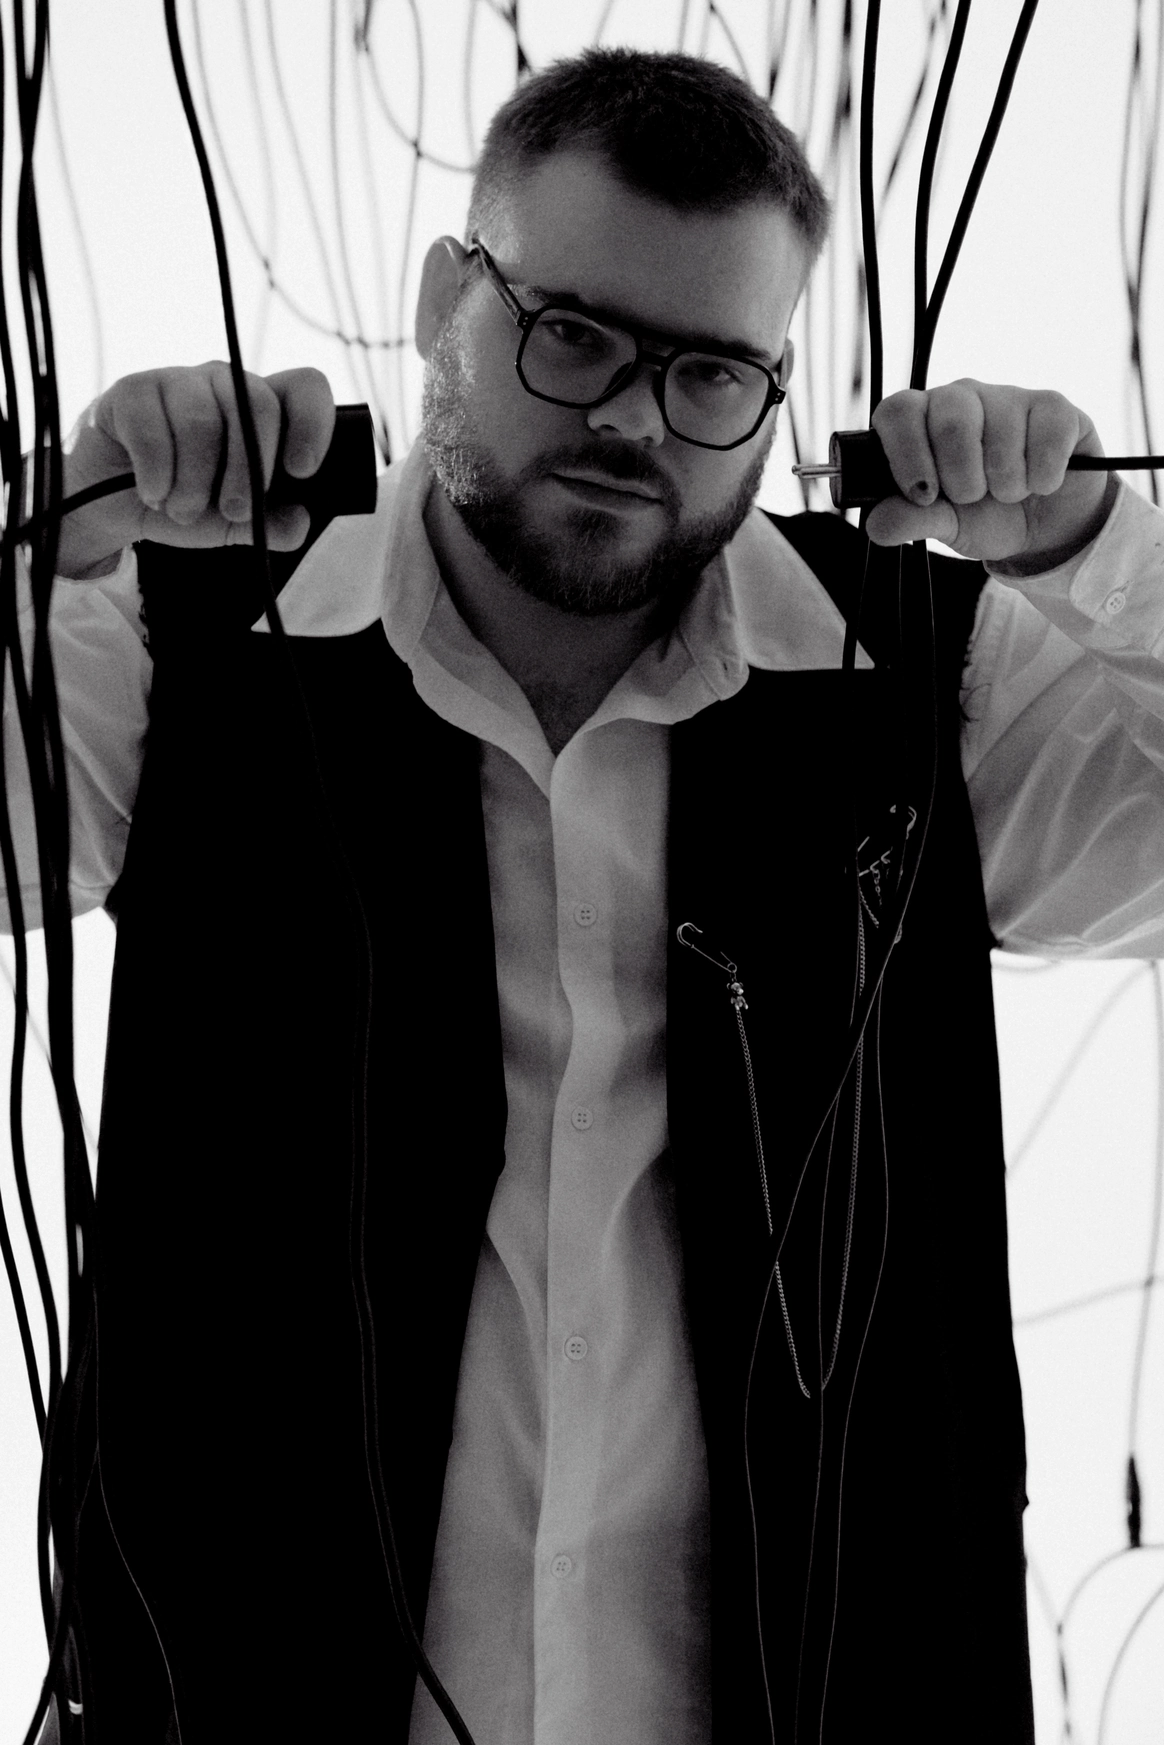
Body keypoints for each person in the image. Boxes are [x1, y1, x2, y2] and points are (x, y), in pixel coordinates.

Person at [12, 46, 1164, 1745]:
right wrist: (51, 546)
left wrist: (1088, 549)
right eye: (572, 335)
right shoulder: (187, 643)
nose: (632, 418)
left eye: (711, 371)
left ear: (778, 392)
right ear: (442, 303)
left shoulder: (926, 679)